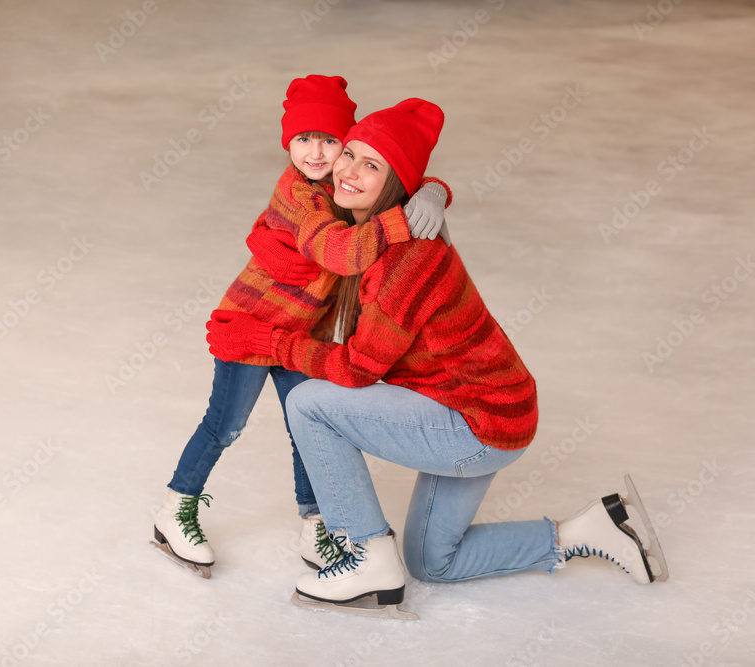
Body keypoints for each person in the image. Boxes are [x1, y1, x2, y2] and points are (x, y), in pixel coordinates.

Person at [207, 98, 667, 610]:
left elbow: (358, 369)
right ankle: (589, 531)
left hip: (476, 422)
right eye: (350, 153)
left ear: (395, 185)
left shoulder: (406, 260)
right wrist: (431, 189)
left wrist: (276, 346)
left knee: (309, 403)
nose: (350, 171)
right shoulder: (371, 235)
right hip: (491, 410)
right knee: (434, 562)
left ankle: (365, 557)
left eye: (371, 165)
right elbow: (308, 190)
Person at [153, 76, 454, 578]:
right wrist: (402, 218)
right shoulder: (301, 193)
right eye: (302, 139)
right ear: (287, 143)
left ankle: (316, 522)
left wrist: (435, 191)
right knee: (225, 425)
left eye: (331, 141)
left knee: (306, 426)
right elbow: (341, 251)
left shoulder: (340, 183)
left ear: (347, 145)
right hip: (252, 326)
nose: (316, 152)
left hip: (298, 336)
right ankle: (175, 507)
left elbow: (390, 168)